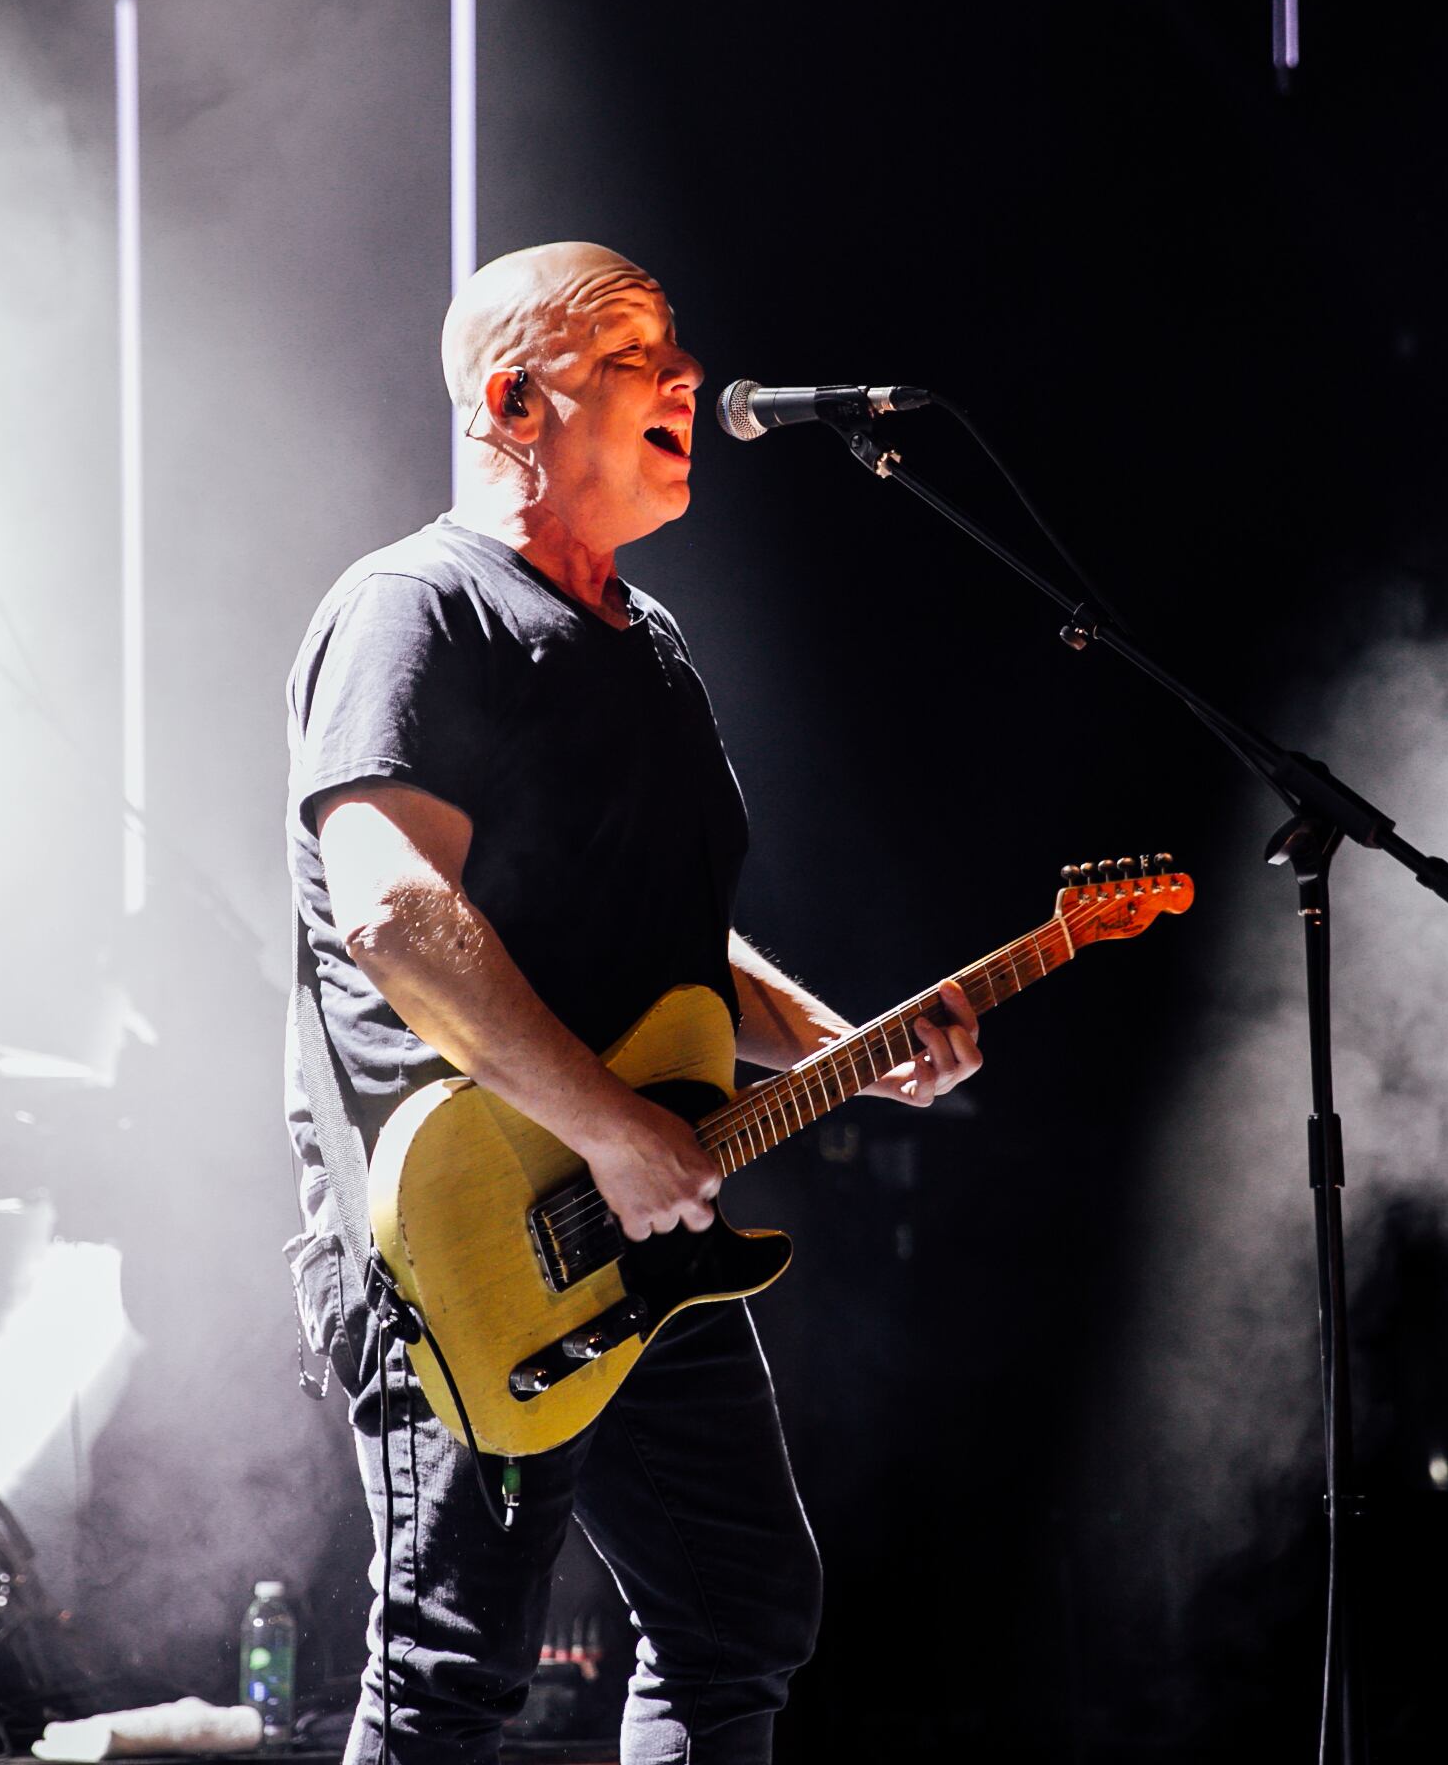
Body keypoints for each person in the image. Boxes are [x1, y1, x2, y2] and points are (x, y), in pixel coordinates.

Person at [284, 241, 982, 1764]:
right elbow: (397, 913)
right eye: (632, 353)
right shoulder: (417, 607)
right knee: (455, 1668)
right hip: (469, 1233)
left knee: (740, 1614)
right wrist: (607, 1127)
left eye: (676, 350)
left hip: (641, 1226)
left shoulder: (649, 644)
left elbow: (671, 954)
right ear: (510, 398)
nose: (683, 378)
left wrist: (841, 1050)